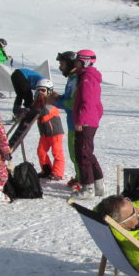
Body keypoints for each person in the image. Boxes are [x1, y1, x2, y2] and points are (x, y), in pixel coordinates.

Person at [70, 49, 105, 201]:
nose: (75, 64)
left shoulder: (87, 78)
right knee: (87, 152)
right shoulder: (87, 76)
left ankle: (88, 188)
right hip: (90, 120)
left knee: (82, 154)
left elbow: (88, 101)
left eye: (77, 61)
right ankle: (98, 185)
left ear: (84, 62)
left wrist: (81, 120)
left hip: (86, 122)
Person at [53, 51, 81, 189]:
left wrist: (55, 102)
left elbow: (73, 103)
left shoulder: (76, 79)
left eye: (62, 64)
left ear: (70, 64)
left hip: (77, 122)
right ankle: (79, 176)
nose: (60, 67)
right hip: (71, 122)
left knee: (77, 153)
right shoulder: (71, 78)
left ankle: (82, 179)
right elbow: (68, 97)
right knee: (73, 152)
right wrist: (58, 97)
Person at [31, 79, 65, 181]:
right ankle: (47, 170)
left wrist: (33, 110)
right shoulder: (38, 103)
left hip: (55, 133)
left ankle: (57, 173)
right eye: (38, 90)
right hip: (44, 134)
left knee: (57, 152)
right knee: (41, 151)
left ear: (49, 91)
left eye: (43, 90)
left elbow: (44, 114)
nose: (40, 93)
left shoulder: (52, 104)